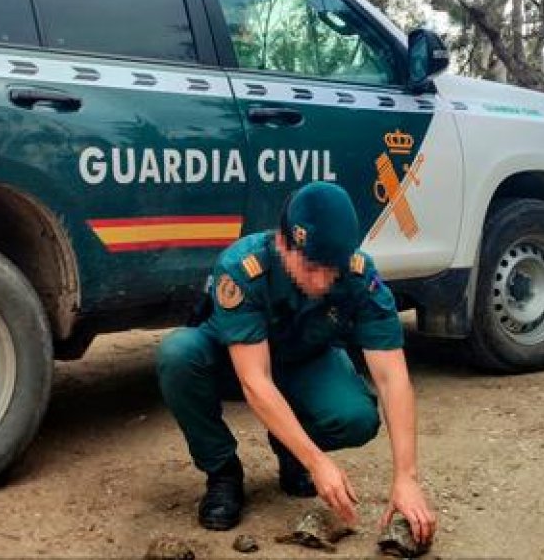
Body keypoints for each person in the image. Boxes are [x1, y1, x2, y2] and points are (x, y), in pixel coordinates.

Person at [156, 181, 436, 545]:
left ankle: (290, 451)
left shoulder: (358, 274)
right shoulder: (243, 267)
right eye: (310, 266)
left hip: (304, 359)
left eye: (332, 269)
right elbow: (255, 381)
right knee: (178, 355)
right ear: (282, 243)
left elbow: (392, 377)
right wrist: (318, 462)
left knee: (357, 418)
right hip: (235, 363)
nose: (321, 281)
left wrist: (406, 478)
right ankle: (223, 472)